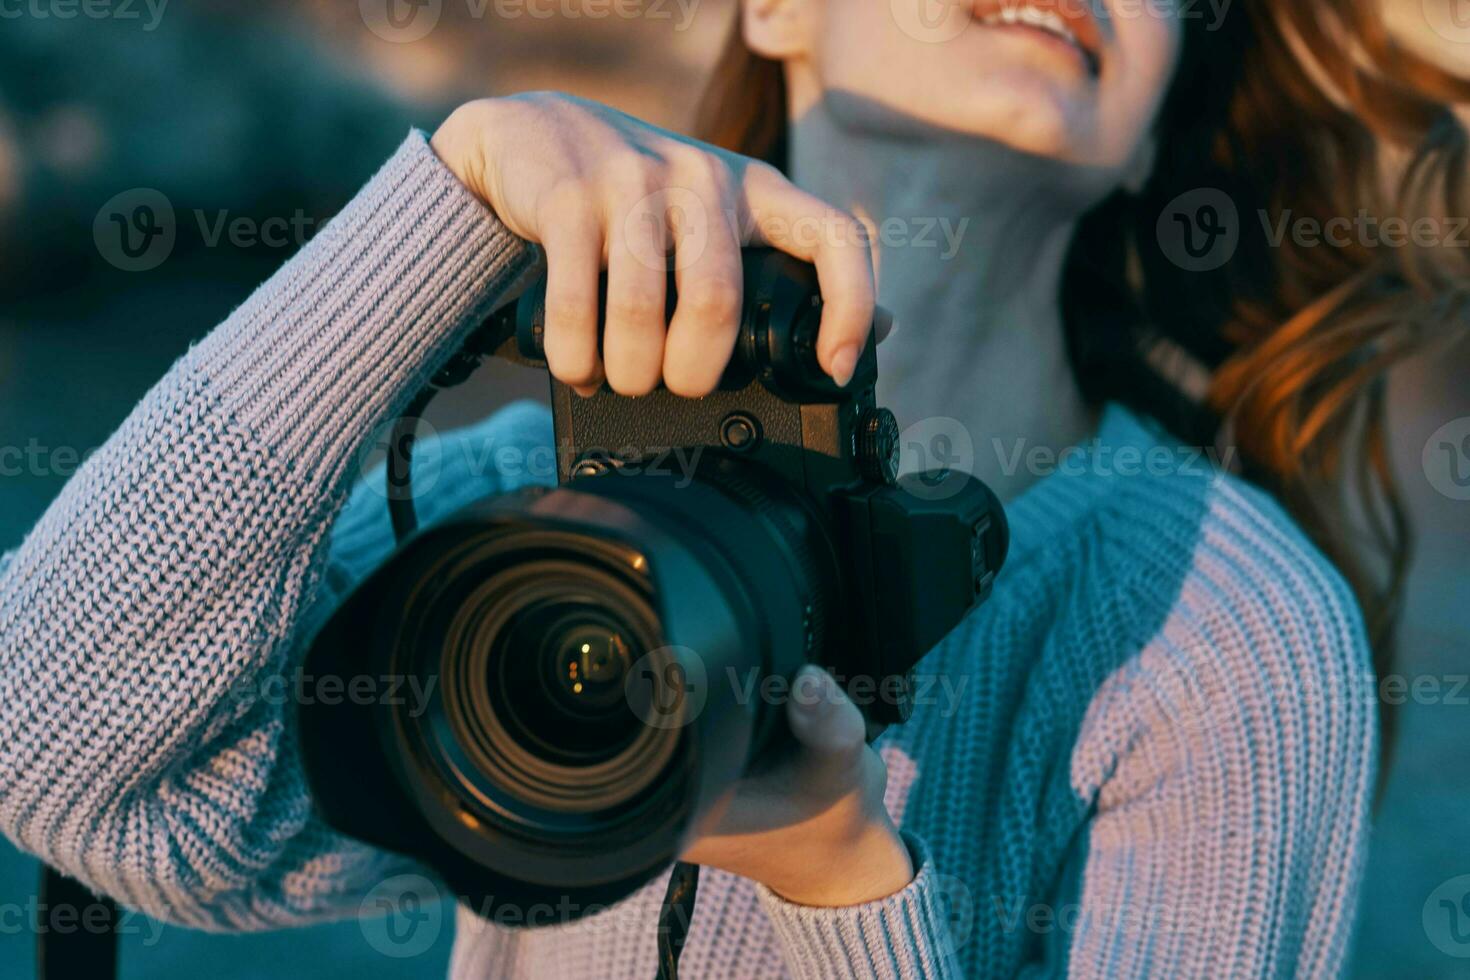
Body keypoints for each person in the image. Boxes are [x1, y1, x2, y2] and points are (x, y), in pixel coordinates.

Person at [1, 1, 1464, 977]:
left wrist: (831, 879)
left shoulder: (1215, 622)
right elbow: (73, 768)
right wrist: (444, 206)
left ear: (1153, 132)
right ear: (771, 5)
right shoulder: (530, 519)